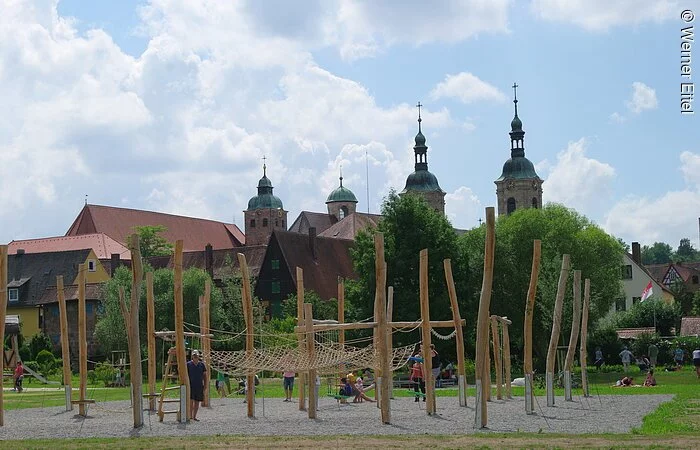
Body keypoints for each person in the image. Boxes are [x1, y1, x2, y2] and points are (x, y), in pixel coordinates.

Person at [187, 349, 206, 421]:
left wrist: (205, 385)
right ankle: (190, 416)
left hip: (199, 385)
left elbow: (205, 375)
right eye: (194, 355)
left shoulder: (201, 364)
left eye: (196, 355)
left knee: (197, 401)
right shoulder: (188, 364)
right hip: (190, 385)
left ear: (198, 356)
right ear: (192, 356)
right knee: (191, 401)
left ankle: (194, 416)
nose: (195, 357)